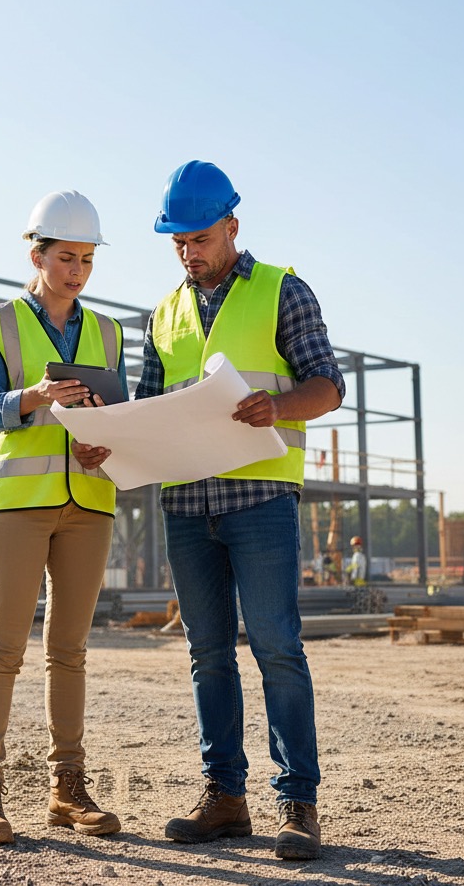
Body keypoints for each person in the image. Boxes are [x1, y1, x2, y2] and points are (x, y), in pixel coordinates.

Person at [75, 161, 344, 861]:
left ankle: (298, 803)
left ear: (231, 225)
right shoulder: (164, 313)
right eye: (178, 243)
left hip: (259, 501)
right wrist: (109, 441)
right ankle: (225, 797)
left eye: (199, 238)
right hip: (188, 507)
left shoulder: (283, 289)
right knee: (207, 655)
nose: (189, 253)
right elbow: (149, 407)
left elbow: (329, 386)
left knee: (279, 649)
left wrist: (279, 407)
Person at [0, 190, 127, 845]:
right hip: (18, 506)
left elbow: (116, 416)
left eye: (87, 259)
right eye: (67, 257)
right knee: (3, 648)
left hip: (89, 504)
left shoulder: (109, 333)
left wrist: (105, 441)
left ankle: (67, 790)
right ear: (37, 254)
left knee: (71, 653)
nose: (78, 271)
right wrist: (29, 398)